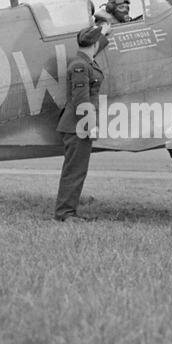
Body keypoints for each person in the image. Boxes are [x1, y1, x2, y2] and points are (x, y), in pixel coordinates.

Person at [54, 25, 107, 221]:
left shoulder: (85, 61)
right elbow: (81, 100)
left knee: (77, 170)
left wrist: (105, 35)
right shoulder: (80, 66)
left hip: (78, 126)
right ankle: (65, 213)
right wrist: (90, 126)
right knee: (74, 171)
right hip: (78, 126)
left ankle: (67, 211)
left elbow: (91, 52)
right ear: (94, 44)